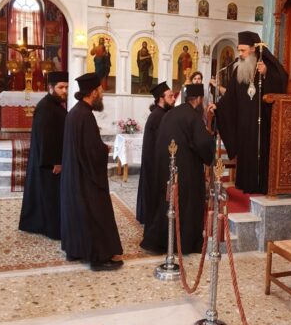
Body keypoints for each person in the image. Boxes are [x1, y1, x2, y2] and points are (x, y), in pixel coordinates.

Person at [209, 31, 288, 194]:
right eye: (239, 50)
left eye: (243, 50)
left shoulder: (266, 66)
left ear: (253, 49)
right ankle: (245, 183)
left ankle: (261, 185)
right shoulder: (238, 70)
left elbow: (282, 81)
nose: (240, 54)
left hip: (262, 122)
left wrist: (266, 74)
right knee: (245, 152)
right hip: (244, 122)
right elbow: (231, 96)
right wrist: (218, 107)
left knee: (260, 152)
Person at [141, 83, 215, 255]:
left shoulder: (171, 113)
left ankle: (162, 241)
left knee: (168, 204)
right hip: (186, 170)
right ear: (199, 99)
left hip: (166, 167)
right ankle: (185, 244)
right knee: (186, 206)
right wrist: (210, 144)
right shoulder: (193, 116)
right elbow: (203, 143)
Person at [60, 72, 123, 271]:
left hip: (74, 174)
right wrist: (104, 149)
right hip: (86, 177)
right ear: (93, 92)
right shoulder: (85, 115)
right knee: (95, 213)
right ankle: (99, 258)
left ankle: (76, 250)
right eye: (101, 91)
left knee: (77, 213)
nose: (102, 94)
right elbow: (91, 151)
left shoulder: (74, 112)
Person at [19, 71, 69, 240]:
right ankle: (52, 229)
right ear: (50, 87)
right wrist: (56, 162)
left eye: (66, 87)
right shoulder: (46, 107)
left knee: (48, 194)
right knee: (49, 195)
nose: (64, 91)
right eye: (61, 87)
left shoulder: (54, 104)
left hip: (51, 159)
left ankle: (45, 224)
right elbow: (45, 138)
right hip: (49, 162)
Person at [136, 81, 175, 225]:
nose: (174, 99)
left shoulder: (162, 113)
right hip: (154, 163)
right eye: (170, 96)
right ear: (161, 99)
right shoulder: (158, 116)